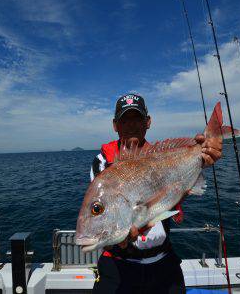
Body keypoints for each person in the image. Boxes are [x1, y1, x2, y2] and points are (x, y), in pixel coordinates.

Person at [89, 93, 223, 294]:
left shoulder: (162, 156)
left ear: (148, 122)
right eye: (125, 119)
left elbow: (171, 198)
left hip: (163, 264)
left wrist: (201, 159)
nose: (131, 125)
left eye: (138, 119)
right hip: (118, 266)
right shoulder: (103, 162)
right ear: (115, 125)